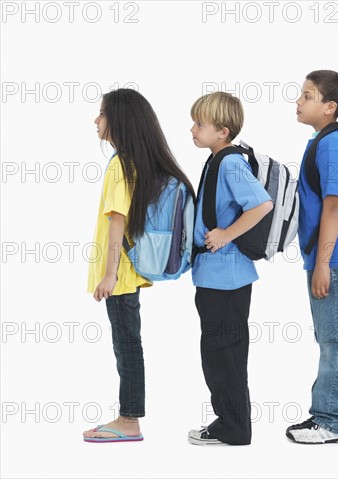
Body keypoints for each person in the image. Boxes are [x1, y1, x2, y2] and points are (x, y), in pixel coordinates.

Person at [83, 89, 194, 443]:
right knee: (128, 342)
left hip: (119, 273)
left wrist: (109, 275)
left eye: (101, 114)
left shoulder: (120, 163)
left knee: (126, 344)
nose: (96, 120)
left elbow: (118, 221)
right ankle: (127, 416)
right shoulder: (135, 161)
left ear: (119, 120)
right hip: (128, 271)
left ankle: (129, 420)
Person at [286, 70, 338, 444]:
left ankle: (336, 423)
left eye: (307, 96)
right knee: (330, 335)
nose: (299, 102)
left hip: (335, 255)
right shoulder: (321, 140)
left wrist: (323, 263)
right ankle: (326, 413)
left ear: (329, 107)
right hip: (331, 253)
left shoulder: (333, 144)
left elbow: (334, 205)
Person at [187, 92, 273, 446]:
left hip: (226, 278)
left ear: (222, 131)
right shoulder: (217, 159)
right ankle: (229, 422)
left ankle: (233, 427)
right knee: (220, 353)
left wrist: (224, 235)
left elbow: (262, 205)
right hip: (217, 276)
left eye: (200, 124)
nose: (192, 129)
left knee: (224, 354)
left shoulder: (229, 163)